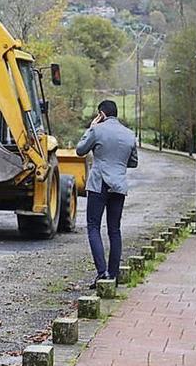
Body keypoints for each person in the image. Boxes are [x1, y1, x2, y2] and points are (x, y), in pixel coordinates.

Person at [76, 100, 138, 288]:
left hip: (99, 184)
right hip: (118, 186)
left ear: (101, 114)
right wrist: (117, 164)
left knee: (94, 227)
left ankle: (102, 272)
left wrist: (91, 128)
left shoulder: (97, 130)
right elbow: (133, 162)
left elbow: (80, 150)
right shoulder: (129, 134)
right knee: (114, 230)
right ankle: (113, 274)